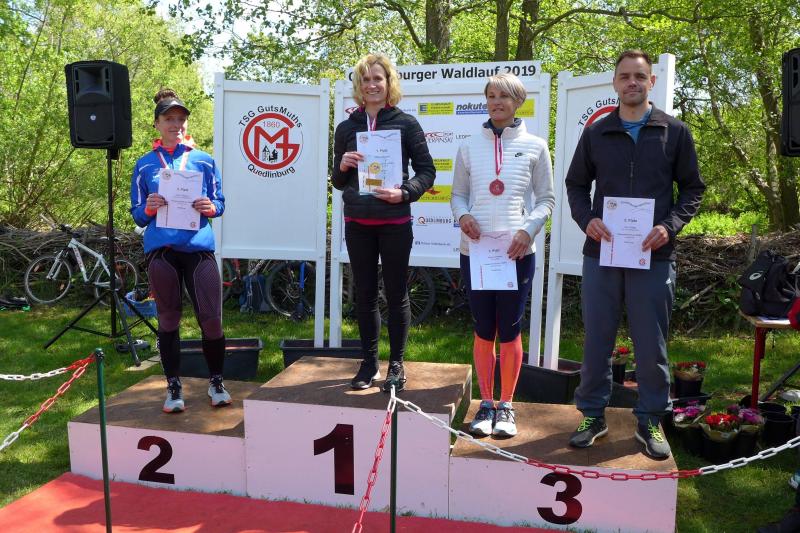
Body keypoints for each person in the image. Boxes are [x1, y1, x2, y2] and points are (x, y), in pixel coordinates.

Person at [565, 50, 705, 458]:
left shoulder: (674, 132)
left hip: (654, 256)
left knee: (651, 343)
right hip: (602, 253)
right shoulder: (596, 133)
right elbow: (576, 185)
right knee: (597, 340)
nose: (632, 82)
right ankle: (592, 415)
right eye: (625, 76)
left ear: (651, 82)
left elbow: (693, 189)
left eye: (639, 76)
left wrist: (669, 226)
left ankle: (650, 419)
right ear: (615, 82)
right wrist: (587, 219)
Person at [451, 73, 555, 437]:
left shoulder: (536, 146)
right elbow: (457, 195)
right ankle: (486, 403)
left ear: (518, 102)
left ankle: (506, 405)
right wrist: (463, 216)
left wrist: (528, 230)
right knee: (483, 326)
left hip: (516, 251)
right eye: (491, 95)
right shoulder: (468, 146)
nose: (496, 102)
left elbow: (546, 199)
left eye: (504, 96)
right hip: (477, 251)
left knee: (509, 327)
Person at [332, 53, 436, 393]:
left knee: (396, 293)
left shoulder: (406, 123)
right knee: (364, 294)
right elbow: (337, 181)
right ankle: (368, 363)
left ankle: (396, 364)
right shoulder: (346, 127)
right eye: (365, 79)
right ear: (358, 86)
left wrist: (404, 193)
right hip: (358, 221)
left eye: (378, 78)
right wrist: (343, 166)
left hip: (394, 221)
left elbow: (427, 171)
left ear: (389, 82)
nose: (372, 85)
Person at [130, 88, 229, 413]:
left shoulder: (203, 160)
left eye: (181, 119)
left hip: (198, 249)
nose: (176, 125)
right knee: (169, 320)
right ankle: (173, 386)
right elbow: (137, 215)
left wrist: (210, 207)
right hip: (163, 252)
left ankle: (217, 382)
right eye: (169, 119)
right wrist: (149, 207)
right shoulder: (145, 165)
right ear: (157, 124)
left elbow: (219, 202)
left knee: (211, 321)